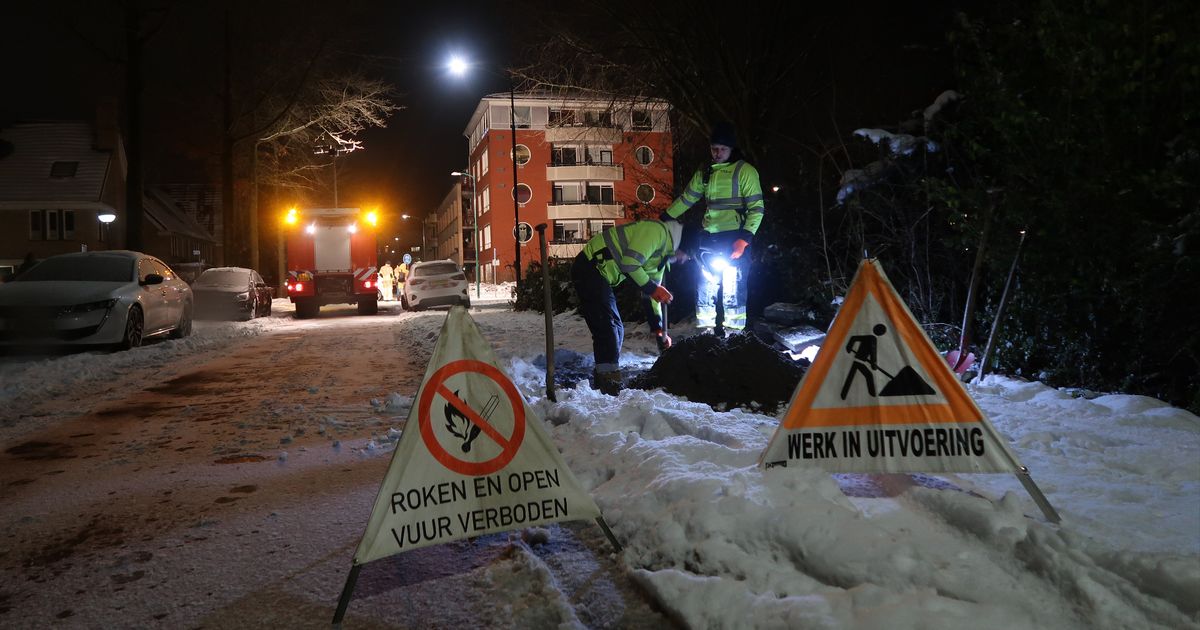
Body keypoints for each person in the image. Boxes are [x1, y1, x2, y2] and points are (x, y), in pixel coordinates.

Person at [664, 121, 765, 335]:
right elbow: (687, 198)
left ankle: (734, 336)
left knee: (734, 290)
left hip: (734, 240)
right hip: (708, 240)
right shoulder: (706, 172)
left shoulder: (745, 172)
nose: (717, 153)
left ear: (732, 149)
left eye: (722, 149)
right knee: (704, 288)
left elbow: (757, 209)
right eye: (714, 149)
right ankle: (705, 335)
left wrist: (744, 239)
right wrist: (665, 216)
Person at [571, 219, 691, 395]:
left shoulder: (660, 259)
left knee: (615, 328)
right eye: (686, 256)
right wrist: (653, 288)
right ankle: (608, 383)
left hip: (600, 274)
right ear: (682, 245)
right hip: (590, 266)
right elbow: (630, 264)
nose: (684, 260)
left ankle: (605, 377)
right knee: (608, 326)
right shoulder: (656, 231)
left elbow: (652, 298)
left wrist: (659, 332)